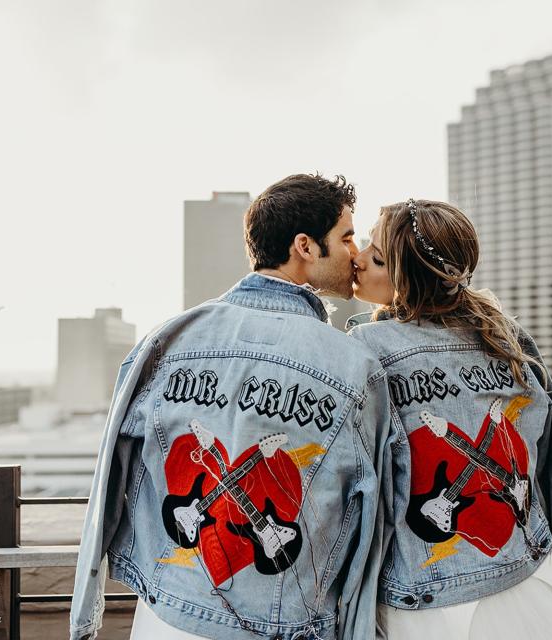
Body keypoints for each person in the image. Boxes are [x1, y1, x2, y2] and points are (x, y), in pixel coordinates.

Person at [69, 174, 398, 640]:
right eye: (345, 237)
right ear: (305, 246)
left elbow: (106, 484)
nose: (355, 252)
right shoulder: (353, 364)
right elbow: (372, 522)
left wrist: (84, 617)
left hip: (165, 617)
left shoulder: (169, 338)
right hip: (287, 625)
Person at [348, 199, 552, 639]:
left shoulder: (367, 348)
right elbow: (551, 471)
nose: (357, 259)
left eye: (377, 257)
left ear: (409, 281)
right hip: (531, 579)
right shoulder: (507, 337)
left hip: (426, 599)